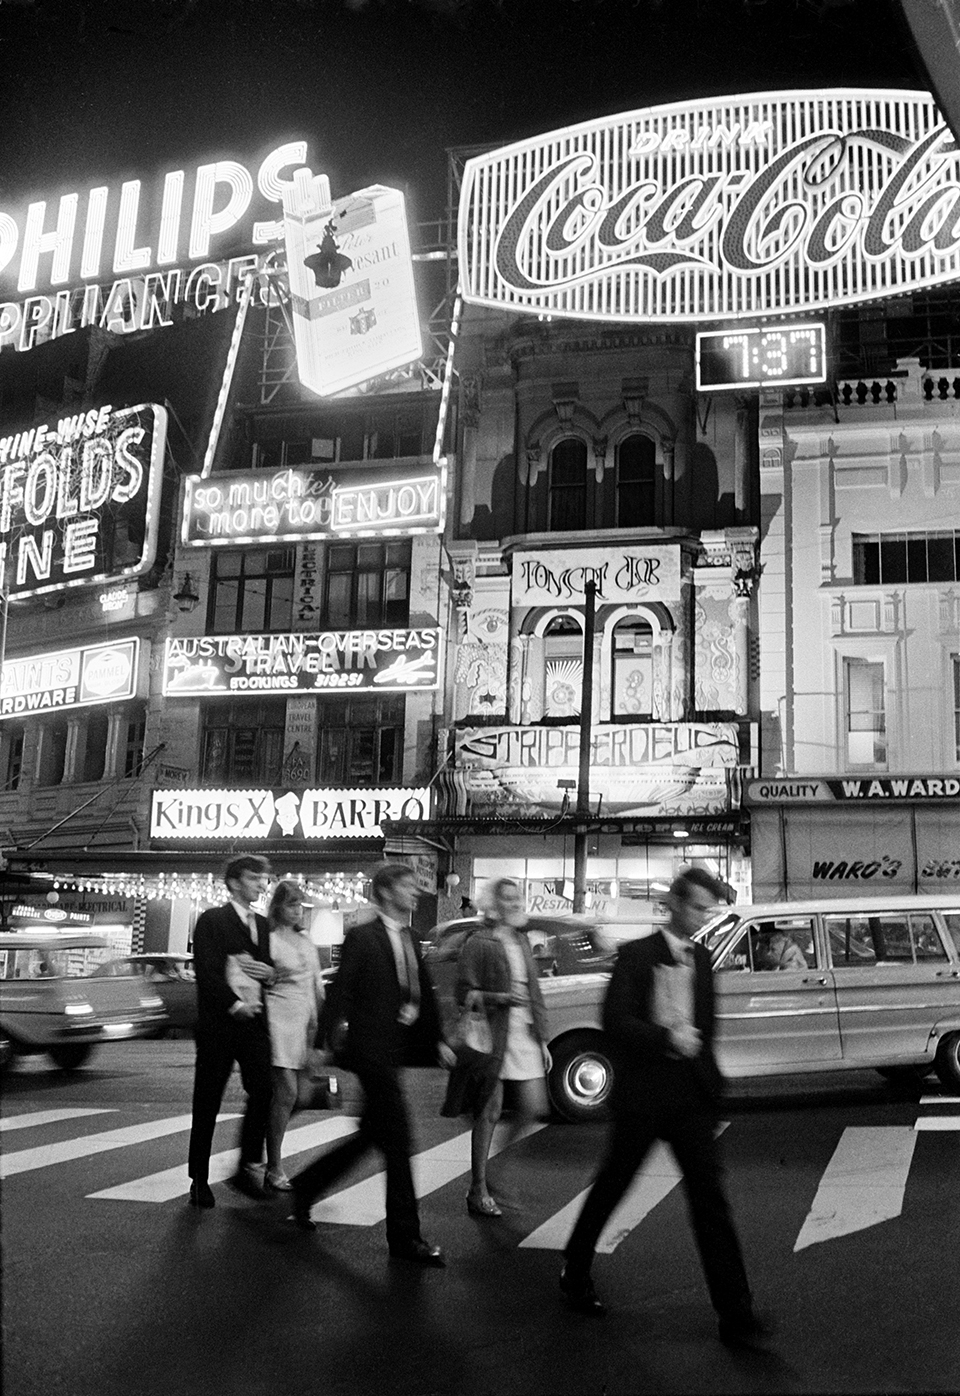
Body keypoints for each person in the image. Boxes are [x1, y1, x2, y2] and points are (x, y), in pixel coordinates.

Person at [560, 868, 771, 1349]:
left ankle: (737, 1314)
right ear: (673, 903)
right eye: (696, 906)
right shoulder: (635, 956)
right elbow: (614, 1022)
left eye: (708, 909)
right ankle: (575, 1270)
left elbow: (707, 1028)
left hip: (690, 1099)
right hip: (643, 1096)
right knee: (613, 1184)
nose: (701, 917)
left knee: (710, 1203)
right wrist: (664, 1038)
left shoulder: (702, 956)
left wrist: (712, 1089)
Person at [289, 863, 455, 1264]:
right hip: (368, 1052)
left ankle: (305, 1188)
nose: (415, 892)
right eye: (407, 886)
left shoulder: (412, 938)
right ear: (384, 892)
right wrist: (320, 1042)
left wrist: (438, 1043)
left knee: (371, 1137)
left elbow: (421, 995)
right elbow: (341, 991)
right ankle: (404, 1238)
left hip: (394, 1051)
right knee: (399, 1142)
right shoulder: (362, 936)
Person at [443, 877, 550, 1217]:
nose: (518, 902)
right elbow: (463, 993)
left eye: (519, 897)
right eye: (509, 898)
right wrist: (501, 998)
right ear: (494, 905)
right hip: (493, 1035)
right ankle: (478, 1187)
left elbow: (535, 993)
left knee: (533, 1108)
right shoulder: (479, 942)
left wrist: (543, 1039)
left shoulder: (521, 939)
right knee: (490, 1111)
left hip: (524, 1035)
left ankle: (496, 1172)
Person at [187, 855, 274, 1209]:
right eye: (254, 878)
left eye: (263, 879)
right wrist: (234, 1004)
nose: (260, 884)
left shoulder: (264, 925)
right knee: (208, 1100)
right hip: (218, 1024)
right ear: (235, 881)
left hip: (254, 1022)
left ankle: (246, 1166)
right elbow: (206, 971)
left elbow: (266, 969)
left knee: (264, 1090)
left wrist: (270, 974)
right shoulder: (212, 920)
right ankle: (198, 1178)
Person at [263, 880, 325, 1192]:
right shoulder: (270, 940)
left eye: (300, 904)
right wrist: (271, 976)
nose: (297, 910)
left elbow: (317, 984)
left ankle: (266, 1135)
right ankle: (273, 1166)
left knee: (300, 1096)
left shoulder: (306, 940)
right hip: (279, 1019)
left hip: (305, 1021)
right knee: (287, 1093)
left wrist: (320, 1026)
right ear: (278, 907)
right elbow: (256, 978)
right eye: (291, 904)